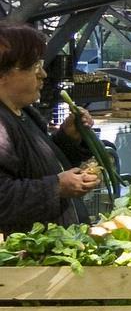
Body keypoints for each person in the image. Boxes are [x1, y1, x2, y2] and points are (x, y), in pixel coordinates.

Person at [0, 22, 101, 233]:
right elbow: (3, 197)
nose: (43, 74)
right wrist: (56, 187)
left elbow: (36, 168)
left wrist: (68, 138)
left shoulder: (23, 114)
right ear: (3, 75)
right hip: (23, 258)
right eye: (33, 67)